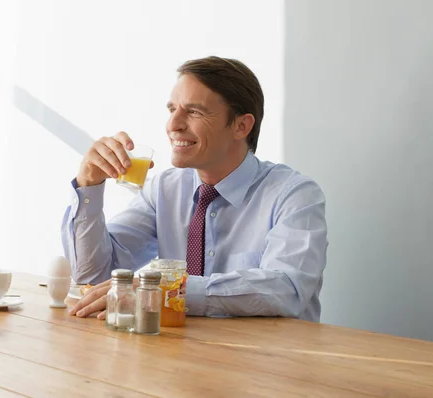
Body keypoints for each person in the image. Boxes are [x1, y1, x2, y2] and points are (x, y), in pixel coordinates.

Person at [61, 56, 328, 322]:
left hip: (269, 360)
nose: (173, 125)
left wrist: (166, 290)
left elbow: (286, 289)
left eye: (193, 112)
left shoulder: (294, 195)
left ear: (241, 125)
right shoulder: (164, 190)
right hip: (183, 355)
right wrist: (89, 184)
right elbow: (93, 275)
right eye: (172, 109)